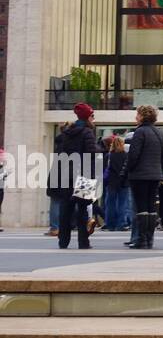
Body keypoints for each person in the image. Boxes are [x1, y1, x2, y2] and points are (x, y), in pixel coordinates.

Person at [52, 103, 98, 250]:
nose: (94, 119)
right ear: (87, 117)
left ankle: (63, 241)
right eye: (92, 116)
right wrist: (102, 147)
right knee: (83, 209)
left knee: (66, 209)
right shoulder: (87, 133)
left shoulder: (66, 133)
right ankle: (83, 242)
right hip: (84, 176)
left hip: (67, 175)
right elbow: (91, 153)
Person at [125, 104, 163, 249]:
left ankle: (141, 239)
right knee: (151, 207)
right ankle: (150, 239)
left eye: (137, 114)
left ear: (142, 116)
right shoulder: (159, 133)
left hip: (140, 175)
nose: (136, 117)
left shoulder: (140, 132)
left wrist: (128, 170)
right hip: (155, 175)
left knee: (141, 207)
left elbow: (133, 155)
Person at [104, 136, 129, 231]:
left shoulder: (109, 156)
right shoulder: (126, 155)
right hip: (123, 182)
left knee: (110, 204)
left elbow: (105, 169)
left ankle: (110, 224)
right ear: (122, 144)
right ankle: (121, 224)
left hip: (111, 182)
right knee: (122, 204)